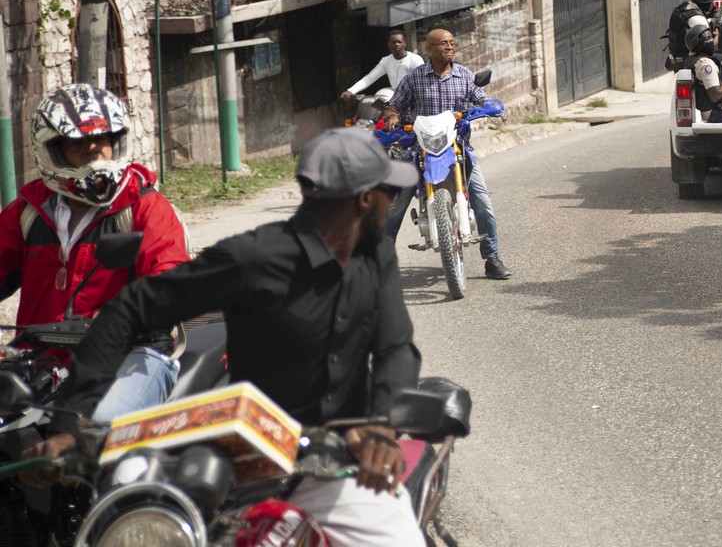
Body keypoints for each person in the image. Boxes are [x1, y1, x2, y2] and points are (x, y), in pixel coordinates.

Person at [21, 127, 427, 547]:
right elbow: (133, 307)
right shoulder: (253, 257)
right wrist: (68, 425)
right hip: (246, 473)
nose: (392, 202)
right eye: (389, 193)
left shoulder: (378, 254)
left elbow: (396, 347)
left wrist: (382, 428)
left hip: (340, 473)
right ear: (365, 198)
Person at [0, 83, 190, 422]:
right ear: (51, 150)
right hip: (41, 358)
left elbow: (171, 280)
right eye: (78, 143)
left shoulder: (145, 207)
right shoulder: (28, 212)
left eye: (102, 140)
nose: (94, 151)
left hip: (132, 353)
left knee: (96, 424)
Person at [382, 29, 512, 279]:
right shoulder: (414, 78)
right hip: (422, 148)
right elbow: (395, 104)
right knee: (395, 204)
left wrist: (490, 106)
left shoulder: (464, 76)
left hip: (458, 147)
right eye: (443, 44)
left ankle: (492, 258)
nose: (450, 48)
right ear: (429, 49)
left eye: (452, 43)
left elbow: (482, 98)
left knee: (482, 201)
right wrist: (393, 115)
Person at [341, 28, 423, 100]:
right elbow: (370, 78)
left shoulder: (415, 60)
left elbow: (423, 82)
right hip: (395, 101)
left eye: (399, 42)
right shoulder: (386, 61)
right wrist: (351, 91)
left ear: (405, 43)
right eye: (393, 42)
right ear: (388, 45)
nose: (397, 45)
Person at [664, 0, 722, 71]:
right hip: (691, 61)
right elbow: (713, 47)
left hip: (675, 59)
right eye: (710, 2)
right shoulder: (699, 20)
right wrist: (717, 26)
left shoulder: (681, 10)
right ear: (707, 3)